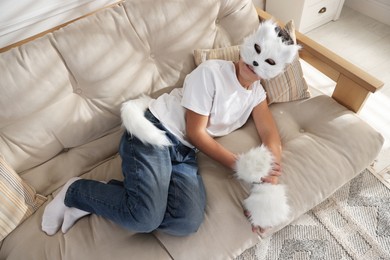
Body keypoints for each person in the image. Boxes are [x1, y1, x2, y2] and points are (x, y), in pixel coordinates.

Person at [41, 20, 298, 236]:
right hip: (154, 132)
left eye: (268, 62)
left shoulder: (255, 95)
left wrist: (268, 187)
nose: (255, 64)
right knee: (144, 219)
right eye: (256, 49)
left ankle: (116, 198)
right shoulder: (212, 73)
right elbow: (196, 132)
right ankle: (76, 191)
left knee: (187, 222)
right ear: (248, 42)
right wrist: (238, 164)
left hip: (183, 154)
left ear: (275, 71)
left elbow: (270, 136)